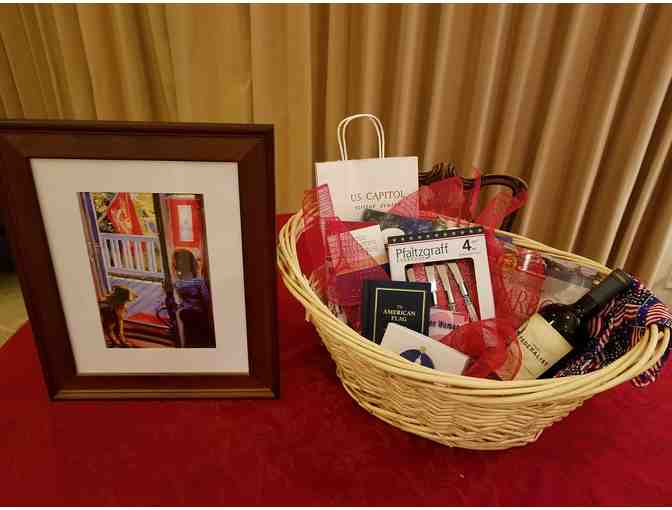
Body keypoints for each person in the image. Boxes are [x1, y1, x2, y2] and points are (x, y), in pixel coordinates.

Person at [172, 249, 215, 348]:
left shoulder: (178, 283)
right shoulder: (199, 282)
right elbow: (207, 300)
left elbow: (180, 299)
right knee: (202, 338)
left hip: (185, 314)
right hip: (197, 314)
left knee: (190, 337)